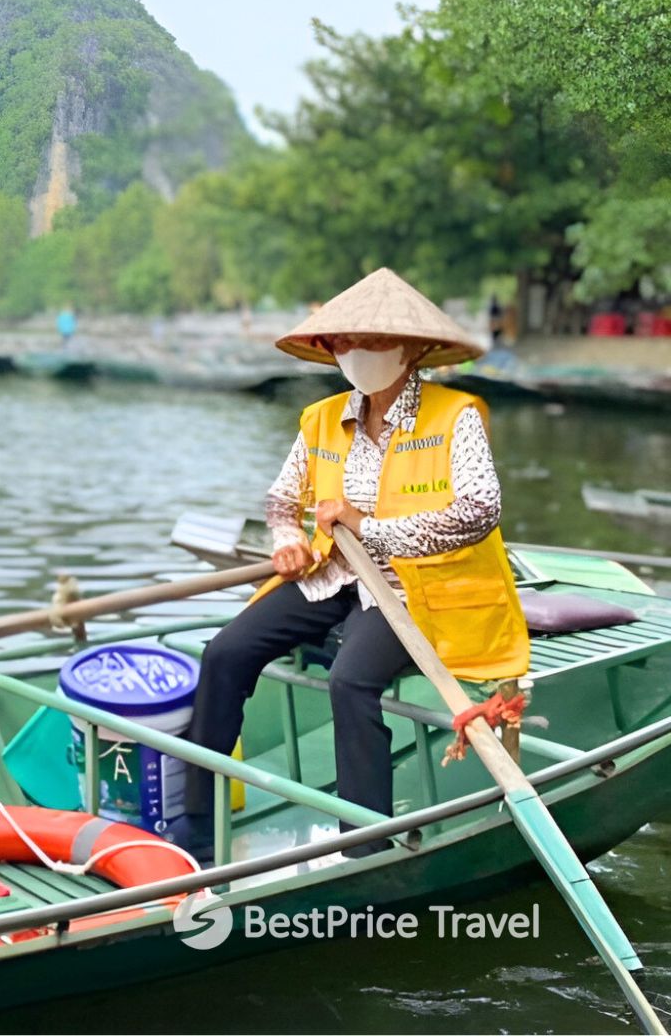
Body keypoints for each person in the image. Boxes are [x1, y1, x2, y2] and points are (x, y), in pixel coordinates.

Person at [181, 268, 529, 858]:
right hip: (334, 573)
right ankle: (196, 820)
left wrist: (371, 529)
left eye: (370, 341)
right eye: (342, 341)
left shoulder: (455, 416)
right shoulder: (323, 418)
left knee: (351, 680)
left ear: (412, 350)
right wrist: (287, 538)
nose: (354, 353)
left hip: (416, 589)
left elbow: (480, 510)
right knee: (224, 653)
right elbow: (281, 497)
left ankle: (365, 842)